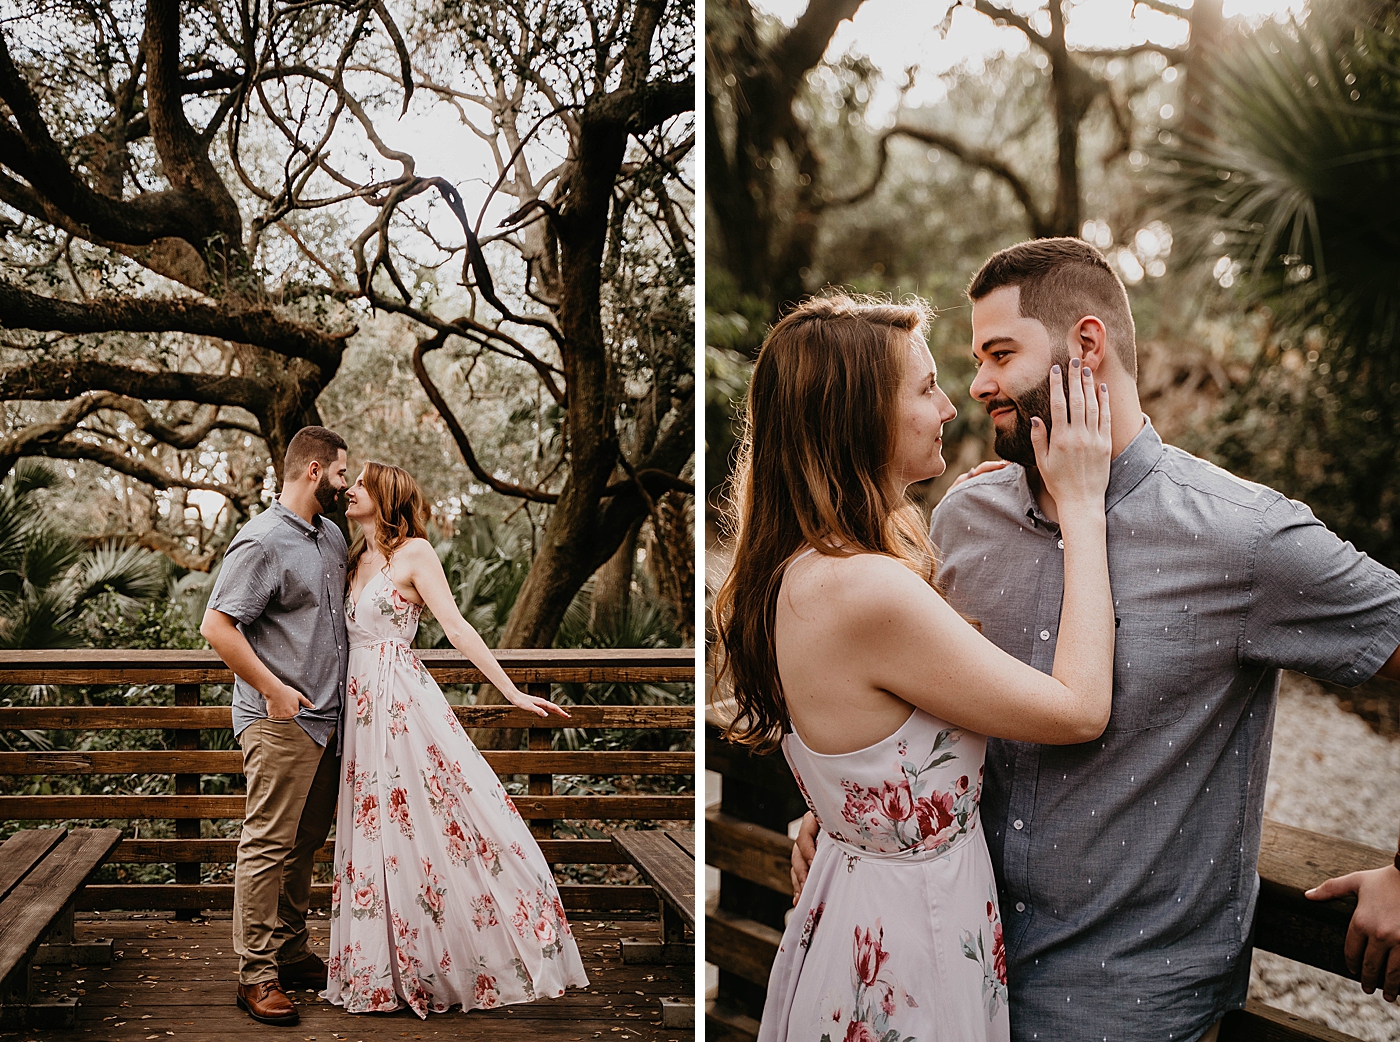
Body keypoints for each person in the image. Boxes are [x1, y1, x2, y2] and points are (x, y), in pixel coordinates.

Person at [789, 237, 1400, 1042]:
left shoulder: (1244, 538)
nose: (976, 386)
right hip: (958, 982)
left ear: (1086, 344)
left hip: (1132, 1012)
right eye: (973, 359)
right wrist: (860, 814)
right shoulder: (965, 519)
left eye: (1000, 353)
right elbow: (913, 698)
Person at [712, 294, 1116, 1042]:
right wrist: (1084, 508)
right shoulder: (869, 589)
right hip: (908, 940)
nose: (949, 406)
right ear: (860, 416)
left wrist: (839, 819)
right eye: (926, 388)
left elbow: (871, 749)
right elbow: (1080, 708)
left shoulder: (803, 570)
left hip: (858, 901)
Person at [322, 461, 589, 1016]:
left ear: (385, 494)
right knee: (378, 831)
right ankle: (384, 969)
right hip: (360, 710)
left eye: (361, 483)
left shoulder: (415, 553)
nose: (350, 491)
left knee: (433, 818)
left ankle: (482, 948)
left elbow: (458, 628)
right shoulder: (354, 557)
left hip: (400, 704)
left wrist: (512, 693)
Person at [201, 425, 351, 1026]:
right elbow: (217, 626)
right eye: (341, 473)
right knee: (266, 844)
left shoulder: (332, 536)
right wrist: (274, 689)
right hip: (281, 720)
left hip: (331, 722)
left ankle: (290, 951)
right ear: (314, 472)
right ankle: (255, 975)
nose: (346, 483)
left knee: (305, 843)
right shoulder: (261, 540)